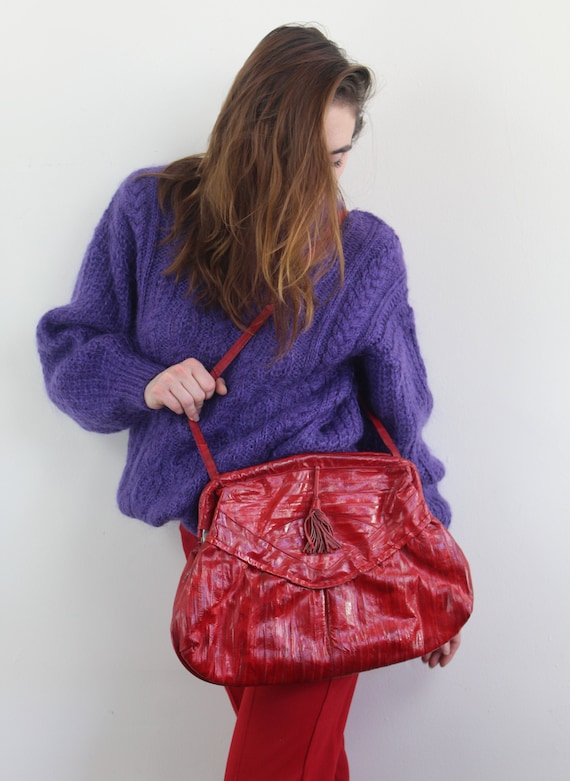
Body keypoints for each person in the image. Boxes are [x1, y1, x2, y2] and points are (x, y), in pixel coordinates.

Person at [37, 23, 461, 781]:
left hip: (331, 546)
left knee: (274, 766)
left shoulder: (363, 252)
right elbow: (70, 348)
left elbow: (401, 418)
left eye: (339, 159)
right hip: (216, 540)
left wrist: (427, 558)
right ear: (257, 136)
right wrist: (146, 380)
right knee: (304, 765)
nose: (327, 183)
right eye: (311, 160)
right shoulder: (150, 211)